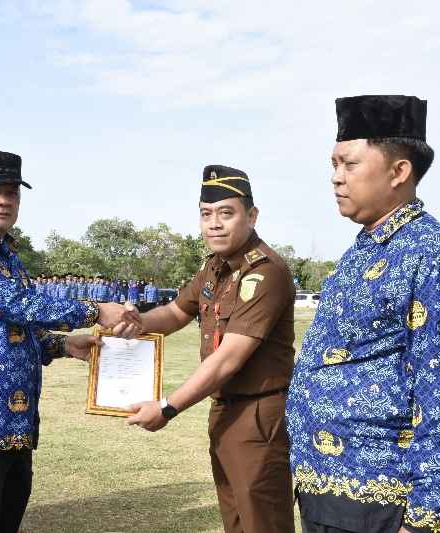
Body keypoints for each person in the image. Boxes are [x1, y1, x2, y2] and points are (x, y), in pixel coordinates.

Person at [287, 95, 440, 533]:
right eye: (333, 164)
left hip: (386, 502)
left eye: (349, 164)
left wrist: (426, 517)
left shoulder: (437, 257)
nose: (336, 177)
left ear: (399, 172)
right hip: (325, 490)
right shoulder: (362, 250)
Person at [0, 151, 138, 533]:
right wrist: (95, 311)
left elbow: (14, 327)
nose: (4, 200)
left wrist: (62, 346)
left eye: (12, 192)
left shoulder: (7, 256)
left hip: (15, 426)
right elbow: (19, 303)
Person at [121, 165, 296, 533]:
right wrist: (135, 322)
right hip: (225, 410)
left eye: (226, 213)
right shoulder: (214, 268)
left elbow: (228, 359)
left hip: (258, 414)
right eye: (206, 214)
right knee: (236, 520)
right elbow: (174, 312)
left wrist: (167, 407)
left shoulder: (265, 272)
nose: (214, 224)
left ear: (252, 216)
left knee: (262, 523)